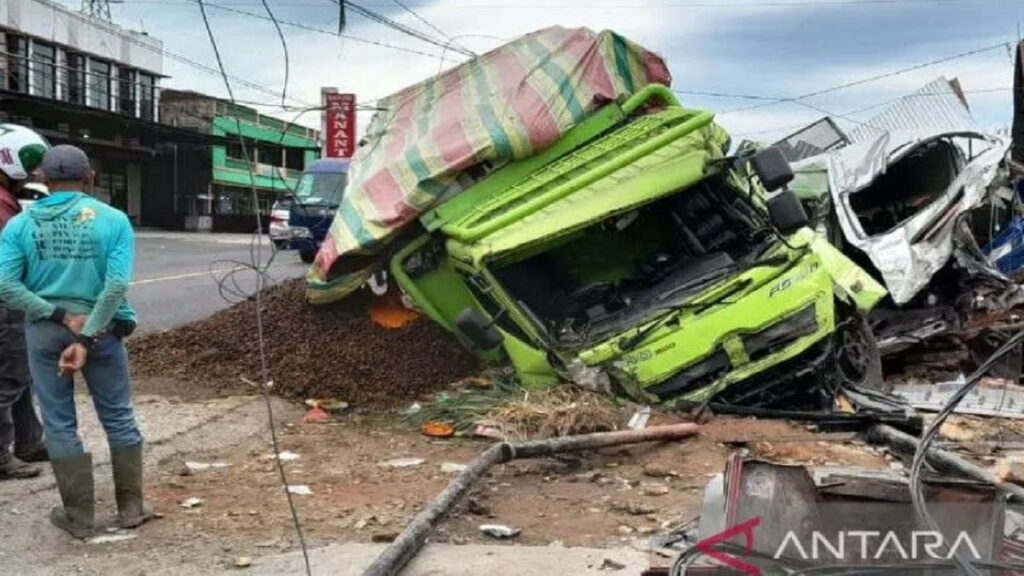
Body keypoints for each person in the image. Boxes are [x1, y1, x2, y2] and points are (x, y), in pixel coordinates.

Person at [0, 144, 152, 538]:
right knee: (118, 414)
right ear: (90, 178)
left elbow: (5, 284)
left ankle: (79, 517)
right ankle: (132, 508)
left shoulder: (21, 225)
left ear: (44, 181)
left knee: (59, 420)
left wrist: (58, 316)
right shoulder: (113, 220)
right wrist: (86, 332)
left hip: (46, 330)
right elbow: (117, 284)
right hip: (102, 327)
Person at [0, 124, 50, 481]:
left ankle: (29, 441)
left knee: (22, 373)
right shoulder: (2, 207)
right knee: (9, 376)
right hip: (6, 301)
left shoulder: (7, 201)